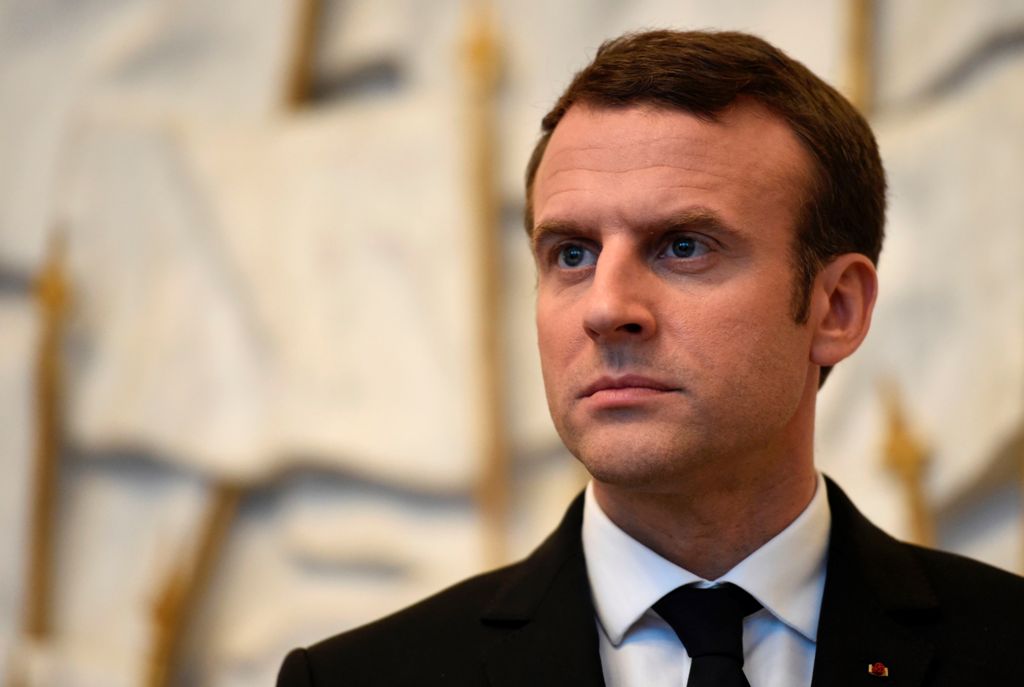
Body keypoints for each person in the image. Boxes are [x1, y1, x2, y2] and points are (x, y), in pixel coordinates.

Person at [277, 30, 1024, 686]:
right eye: (571, 253)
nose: (606, 308)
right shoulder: (359, 677)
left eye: (684, 246)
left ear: (836, 308)